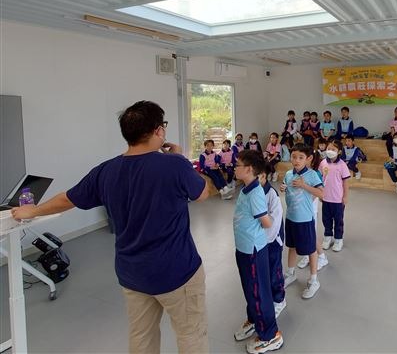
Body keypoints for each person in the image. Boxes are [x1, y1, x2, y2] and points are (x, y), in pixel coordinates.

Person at [12, 101, 212, 353]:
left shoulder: (106, 170)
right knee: (191, 335)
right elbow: (202, 193)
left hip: (132, 274)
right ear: (159, 130)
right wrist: (179, 157)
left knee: (141, 337)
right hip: (176, 272)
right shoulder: (174, 164)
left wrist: (34, 210)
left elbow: (68, 198)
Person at [232, 151, 284, 353]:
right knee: (250, 289)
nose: (234, 167)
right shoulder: (247, 188)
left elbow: (267, 222)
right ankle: (254, 319)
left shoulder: (255, 193)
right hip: (244, 248)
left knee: (259, 292)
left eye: (238, 165)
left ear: (249, 169)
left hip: (253, 250)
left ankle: (270, 335)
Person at [281, 144, 325, 299]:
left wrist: (304, 185)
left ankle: (314, 280)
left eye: (301, 157)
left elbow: (322, 193)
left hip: (305, 219)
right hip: (290, 217)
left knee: (311, 250)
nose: (296, 160)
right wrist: (284, 188)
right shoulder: (288, 174)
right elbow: (288, 189)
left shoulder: (312, 175)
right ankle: (290, 273)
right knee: (291, 246)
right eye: (294, 157)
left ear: (308, 159)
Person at [258, 163, 286, 318]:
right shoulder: (251, 192)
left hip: (272, 241)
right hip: (259, 241)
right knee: (263, 271)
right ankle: (268, 296)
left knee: (274, 270)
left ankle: (279, 299)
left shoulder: (272, 195)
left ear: (262, 176)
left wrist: (265, 240)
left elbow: (274, 224)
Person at [319, 140, 350, 252]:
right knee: (326, 219)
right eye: (329, 149)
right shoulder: (323, 163)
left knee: (338, 220)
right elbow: (320, 179)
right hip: (325, 198)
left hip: (337, 199)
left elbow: (346, 182)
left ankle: (338, 239)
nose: (330, 151)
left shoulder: (342, 165)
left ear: (339, 151)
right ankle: (327, 237)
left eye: (333, 149)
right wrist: (320, 193)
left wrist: (345, 196)